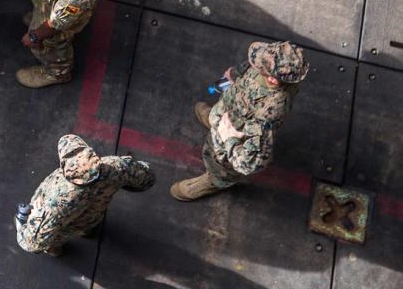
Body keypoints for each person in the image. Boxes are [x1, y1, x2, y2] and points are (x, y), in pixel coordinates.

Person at [170, 40, 309, 201]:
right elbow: (249, 66)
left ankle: (216, 180)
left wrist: (230, 139)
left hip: (236, 133)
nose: (261, 70)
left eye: (269, 73)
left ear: (276, 79)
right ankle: (214, 120)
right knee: (217, 116)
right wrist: (234, 74)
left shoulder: (269, 112)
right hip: (231, 109)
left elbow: (249, 163)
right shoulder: (271, 60)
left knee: (220, 162)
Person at [15, 134, 154, 255]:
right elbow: (146, 178)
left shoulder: (58, 201)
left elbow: (33, 244)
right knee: (88, 225)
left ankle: (55, 250)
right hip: (93, 217)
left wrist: (22, 224)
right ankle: (87, 231)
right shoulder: (115, 166)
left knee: (52, 243)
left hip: (64, 227)